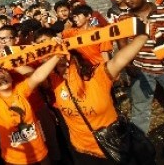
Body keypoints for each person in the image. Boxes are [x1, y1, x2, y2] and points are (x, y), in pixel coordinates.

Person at [34, 25, 150, 164]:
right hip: (82, 150)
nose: (62, 68)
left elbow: (120, 59)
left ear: (75, 59)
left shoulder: (98, 75)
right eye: (57, 66)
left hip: (115, 145)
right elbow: (33, 76)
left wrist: (143, 34)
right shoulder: (54, 81)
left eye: (65, 63)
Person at [118, 0, 164, 134]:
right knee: (140, 110)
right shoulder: (124, 19)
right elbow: (121, 41)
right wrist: (128, 64)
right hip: (141, 70)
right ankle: (141, 147)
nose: (127, 0)